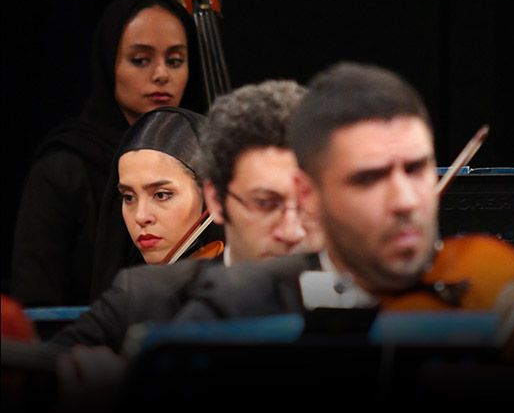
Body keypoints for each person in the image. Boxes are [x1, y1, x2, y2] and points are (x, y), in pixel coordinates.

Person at [174, 63, 514, 363]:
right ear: (310, 195)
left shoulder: (493, 281)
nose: (406, 200)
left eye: (416, 168)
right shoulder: (225, 310)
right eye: (369, 178)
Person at [46, 79, 324, 358]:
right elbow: (36, 370)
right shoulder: (142, 295)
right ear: (216, 199)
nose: (293, 231)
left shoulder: (346, 290)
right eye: (265, 203)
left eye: (309, 204)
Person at [10, 0, 203, 308]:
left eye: (175, 61)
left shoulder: (204, 149)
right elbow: (35, 302)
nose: (161, 75)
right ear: (108, 63)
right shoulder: (63, 168)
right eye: (140, 60)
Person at [90, 106, 223, 297]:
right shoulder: (127, 290)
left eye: (162, 195)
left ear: (212, 195)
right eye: (128, 197)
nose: (140, 216)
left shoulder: (240, 289)